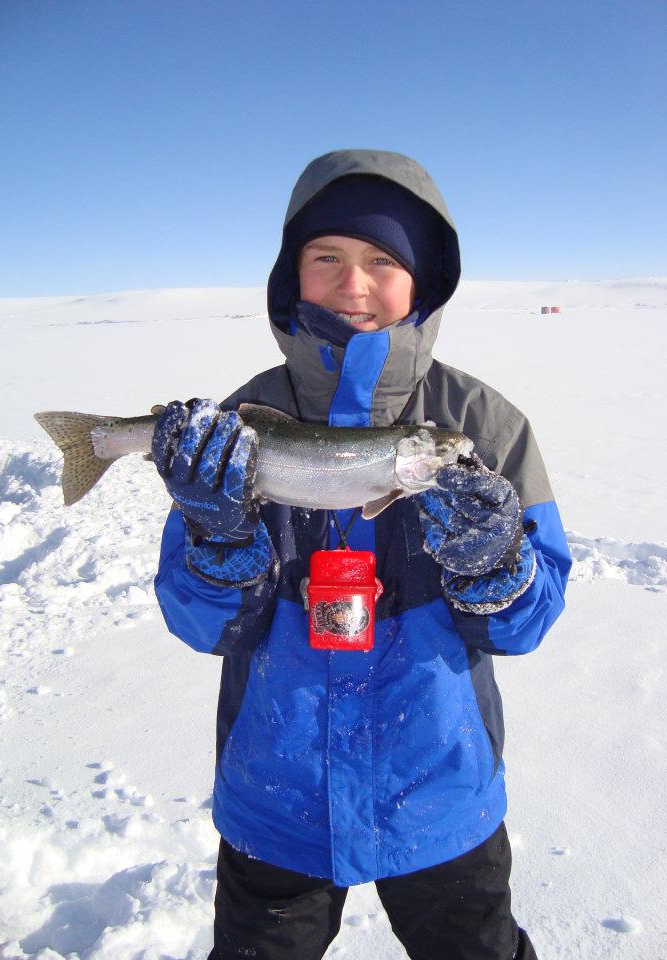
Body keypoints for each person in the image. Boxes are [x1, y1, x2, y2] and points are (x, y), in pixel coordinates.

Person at [152, 149, 571, 960]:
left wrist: (495, 565)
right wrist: (218, 539)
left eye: (383, 260)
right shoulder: (243, 420)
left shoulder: (485, 424)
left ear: (423, 280)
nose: (354, 284)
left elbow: (527, 624)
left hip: (439, 792)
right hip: (278, 793)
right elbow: (199, 625)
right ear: (291, 275)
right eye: (327, 257)